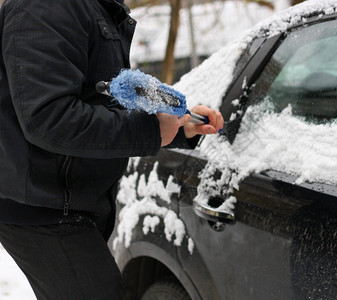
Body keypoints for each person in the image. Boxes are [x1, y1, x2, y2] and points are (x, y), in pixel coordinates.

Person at [0, 0, 224, 299]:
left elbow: (98, 98)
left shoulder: (94, 7)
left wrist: (180, 126)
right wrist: (150, 131)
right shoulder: (45, 6)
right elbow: (48, 118)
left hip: (74, 199)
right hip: (45, 207)